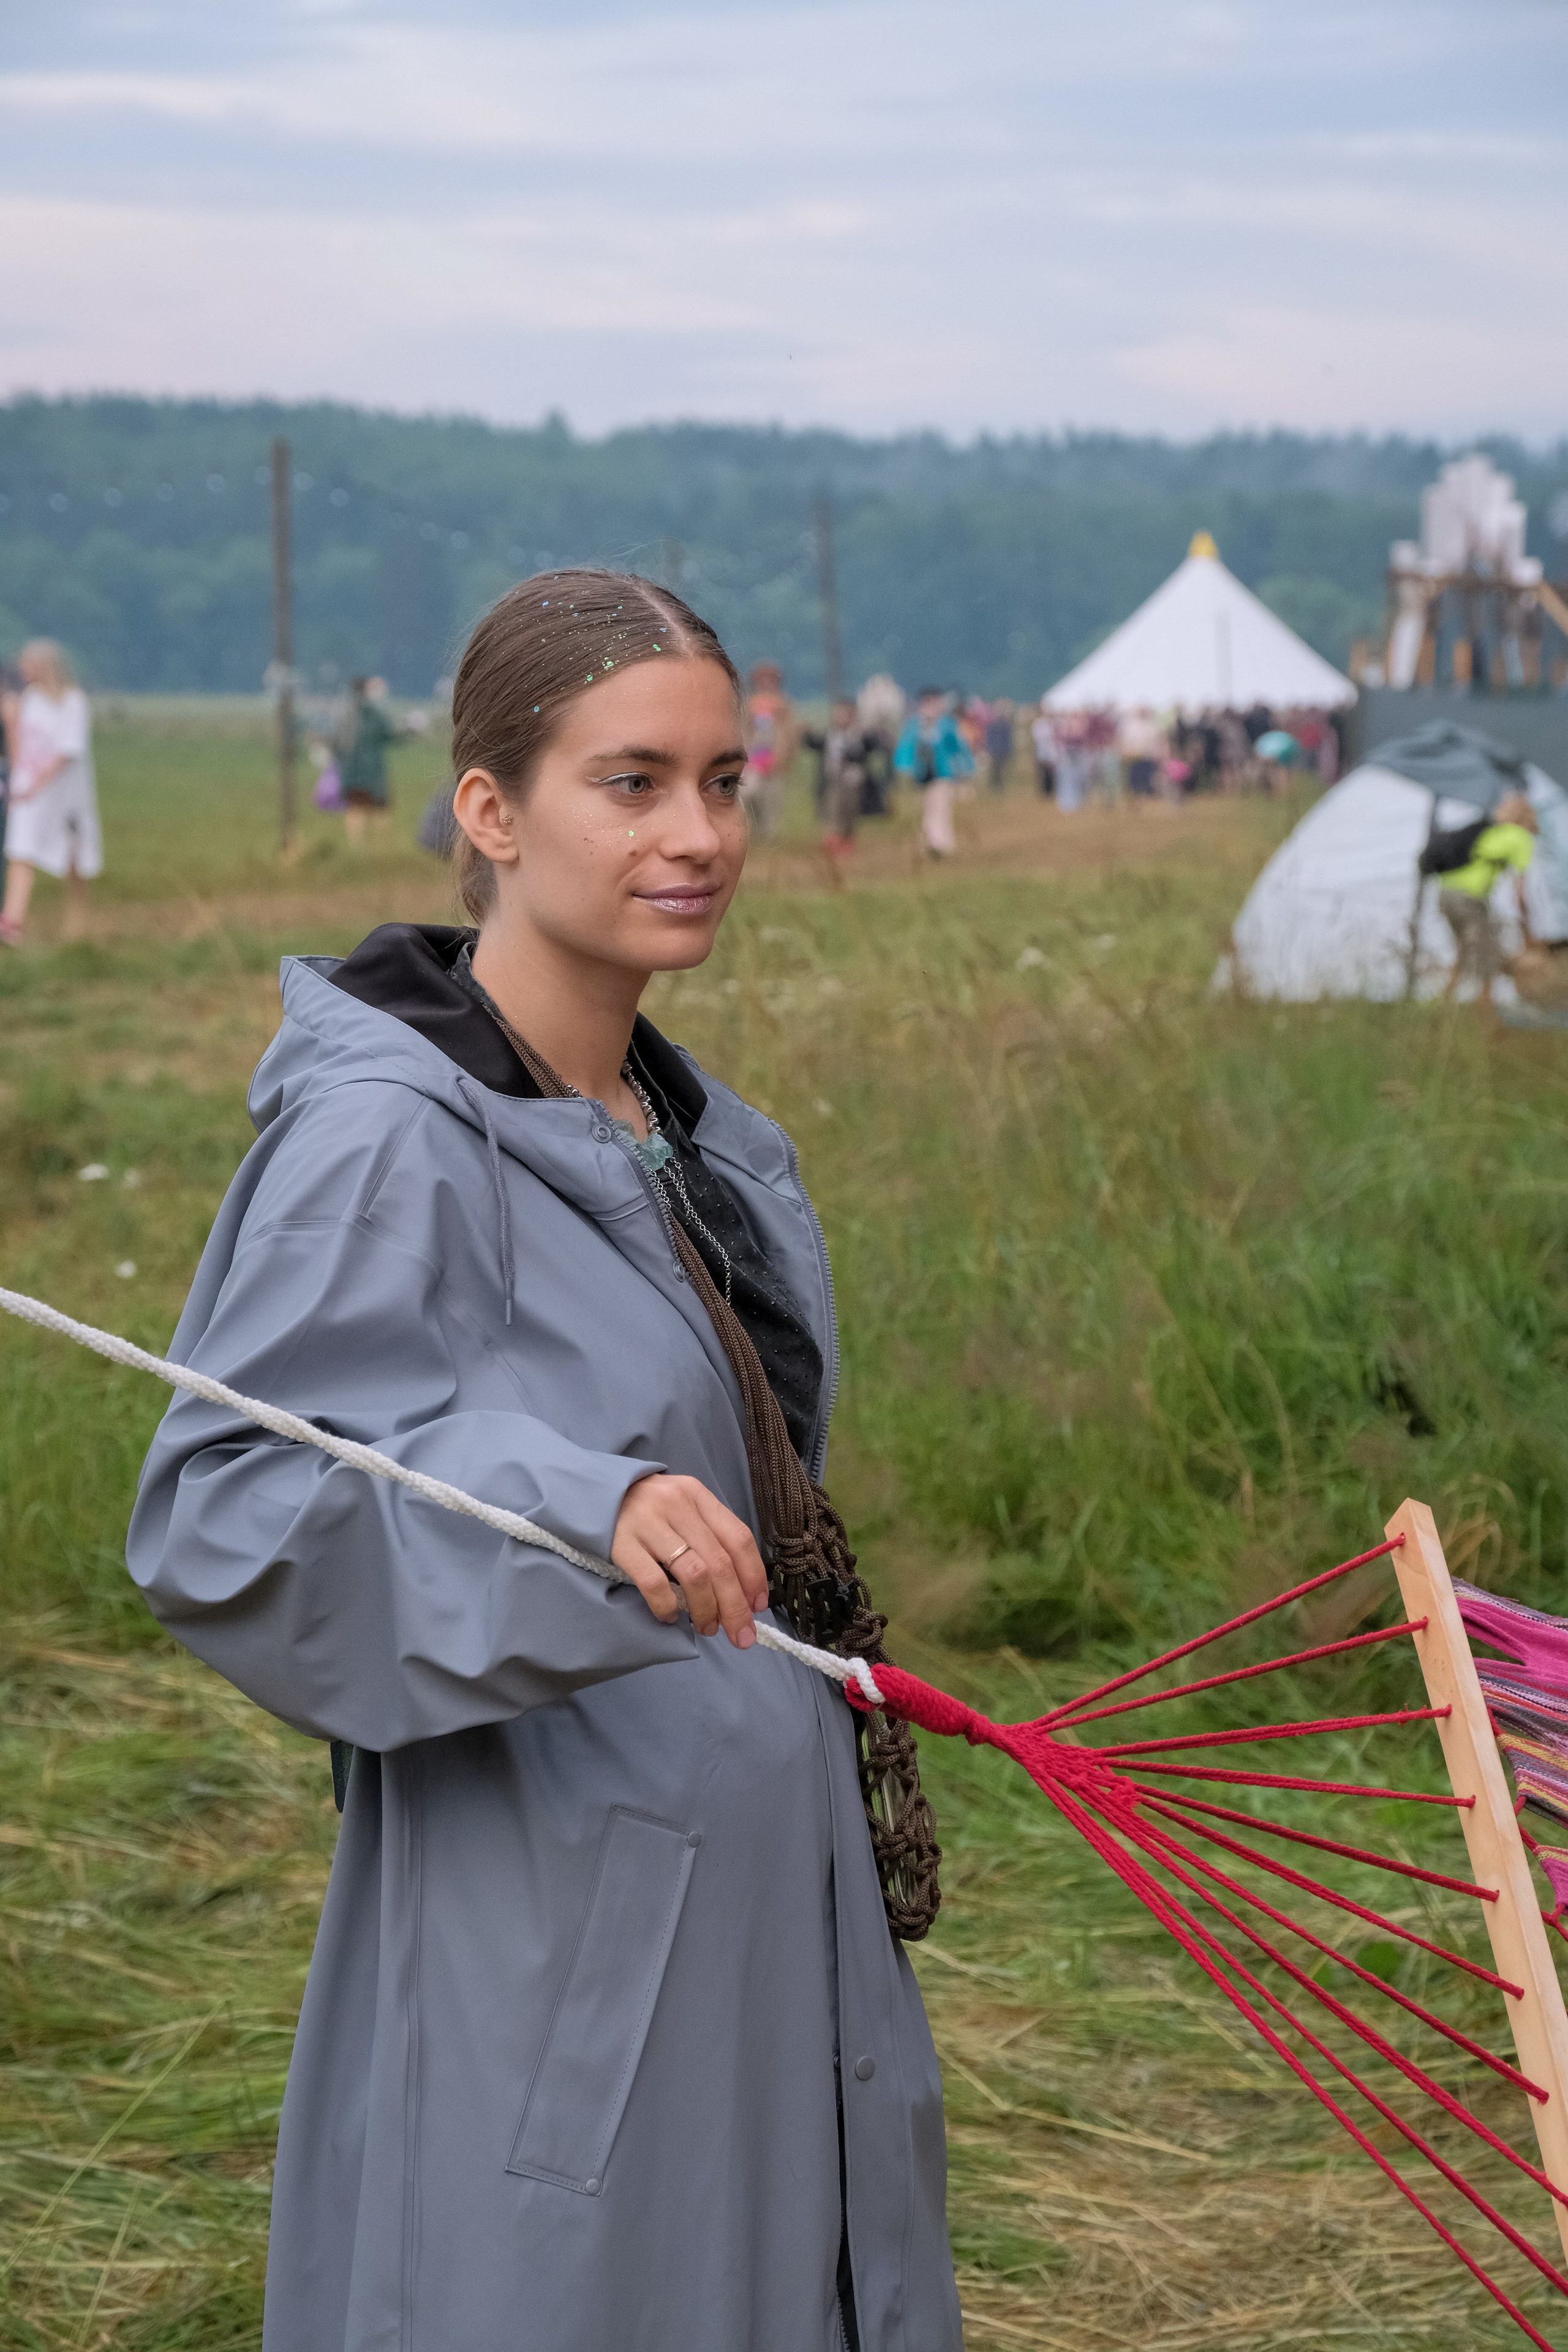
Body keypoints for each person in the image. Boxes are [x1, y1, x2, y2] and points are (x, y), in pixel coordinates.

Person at [124, 570, 959, 2352]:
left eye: (726, 780)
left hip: (758, 1908)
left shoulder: (688, 1132)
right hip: (562, 1944)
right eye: (632, 780)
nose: (700, 832)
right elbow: (231, 1510)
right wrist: (577, 1506)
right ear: (489, 812)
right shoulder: (384, 1138)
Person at [0, 639, 100, 948]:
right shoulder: (29, 699)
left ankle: (77, 921)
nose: (23, 670)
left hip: (65, 792)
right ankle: (11, 922)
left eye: (29, 664)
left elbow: (68, 751)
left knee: (74, 856)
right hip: (30, 791)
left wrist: (37, 783)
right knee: (21, 851)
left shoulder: (73, 702)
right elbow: (21, 742)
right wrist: (21, 779)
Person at [1439, 791, 1539, 1005]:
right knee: (1488, 955)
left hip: (1446, 893)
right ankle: (1486, 1010)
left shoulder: (1492, 830)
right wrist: (1528, 927)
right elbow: (1521, 890)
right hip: (1469, 898)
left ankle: (1442, 1004)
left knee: (1465, 951)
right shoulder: (1520, 837)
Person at [338, 674, 422, 846]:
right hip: (373, 770)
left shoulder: (346, 714)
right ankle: (382, 848)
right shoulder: (374, 713)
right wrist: (411, 731)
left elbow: (337, 743)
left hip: (351, 770)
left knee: (355, 809)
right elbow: (390, 735)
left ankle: (356, 847)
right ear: (367, 690)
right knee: (380, 809)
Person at [894, 687, 973, 858]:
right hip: (922, 774)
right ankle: (932, 841)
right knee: (929, 807)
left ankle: (940, 843)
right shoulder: (915, 725)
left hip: (943, 773)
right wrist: (903, 767)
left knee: (941, 807)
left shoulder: (946, 724)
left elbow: (958, 747)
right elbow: (906, 747)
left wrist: (965, 769)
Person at [802, 696, 875, 862]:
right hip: (832, 778)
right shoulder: (830, 734)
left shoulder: (858, 735)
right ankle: (834, 838)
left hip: (853, 780)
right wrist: (805, 734)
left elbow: (865, 751)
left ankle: (846, 838)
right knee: (833, 808)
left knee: (849, 811)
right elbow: (814, 743)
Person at [737, 660, 798, 841]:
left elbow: (791, 734)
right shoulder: (750, 704)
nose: (766, 683)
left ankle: (767, 835)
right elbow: (743, 729)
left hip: (776, 756)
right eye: (762, 679)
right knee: (749, 792)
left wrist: (784, 758)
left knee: (771, 799)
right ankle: (755, 830)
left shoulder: (785, 703)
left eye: (770, 679)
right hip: (754, 757)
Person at [984, 698, 1015, 791]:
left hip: (1001, 750)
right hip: (996, 750)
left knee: (1000, 770)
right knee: (995, 770)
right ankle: (995, 787)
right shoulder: (995, 725)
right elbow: (990, 739)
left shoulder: (1004, 725)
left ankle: (998, 787)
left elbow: (1007, 739)